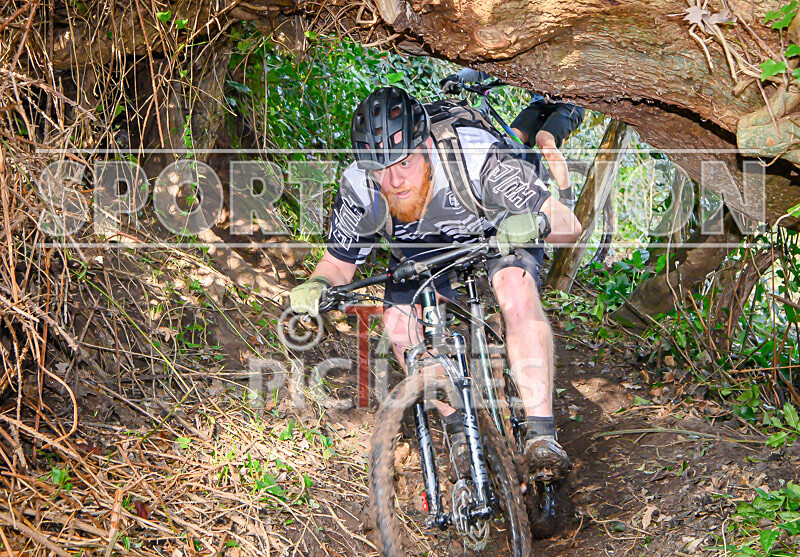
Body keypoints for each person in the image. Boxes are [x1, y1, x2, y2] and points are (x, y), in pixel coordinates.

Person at [288, 86, 582, 482]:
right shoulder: (359, 185)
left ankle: (541, 435)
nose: (393, 181)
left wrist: (536, 222)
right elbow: (338, 264)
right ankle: (459, 429)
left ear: (426, 145)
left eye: (404, 162)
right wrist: (318, 284)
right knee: (399, 325)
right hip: (423, 248)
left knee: (515, 291)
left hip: (496, 229)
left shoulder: (476, 156)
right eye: (379, 168)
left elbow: (567, 223)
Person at [440, 69, 586, 210]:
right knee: (507, 144)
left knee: (544, 141)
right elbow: (486, 67)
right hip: (539, 105)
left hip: (569, 105)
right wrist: (457, 77)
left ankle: (567, 199)